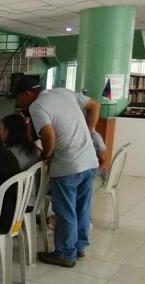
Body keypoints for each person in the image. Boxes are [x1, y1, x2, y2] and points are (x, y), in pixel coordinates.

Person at [15, 76, 99, 267]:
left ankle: (65, 253)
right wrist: (88, 132)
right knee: (82, 207)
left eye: (17, 98)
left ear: (27, 94)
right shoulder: (63, 92)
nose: (17, 102)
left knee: (65, 210)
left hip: (68, 164)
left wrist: (47, 156)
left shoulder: (37, 106)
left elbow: (48, 135)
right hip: (89, 159)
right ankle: (79, 246)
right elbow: (94, 106)